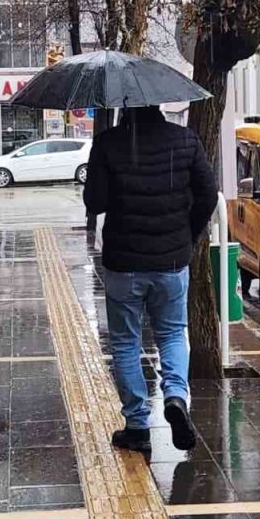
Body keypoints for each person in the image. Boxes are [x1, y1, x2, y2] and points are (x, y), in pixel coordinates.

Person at [83, 106, 219, 453]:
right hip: (172, 260)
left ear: (125, 109)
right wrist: (188, 233)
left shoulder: (108, 143)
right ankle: (175, 395)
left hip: (123, 262)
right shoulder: (185, 140)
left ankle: (138, 425)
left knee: (126, 343)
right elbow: (208, 192)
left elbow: (94, 202)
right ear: (157, 106)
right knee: (172, 333)